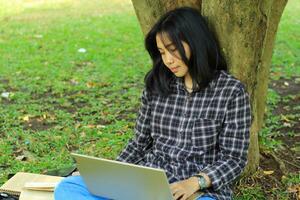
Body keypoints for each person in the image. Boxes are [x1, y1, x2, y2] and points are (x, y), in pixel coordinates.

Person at [54, 7, 251, 200]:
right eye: (162, 52)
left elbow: (233, 159)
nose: (168, 60)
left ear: (196, 43)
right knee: (68, 187)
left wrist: (194, 182)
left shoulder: (231, 92)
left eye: (173, 50)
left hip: (197, 192)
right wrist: (110, 178)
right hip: (149, 183)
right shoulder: (157, 85)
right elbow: (139, 143)